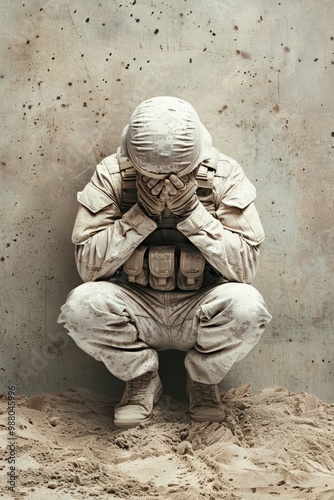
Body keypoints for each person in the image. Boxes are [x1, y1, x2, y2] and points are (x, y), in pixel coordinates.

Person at [58, 96, 272, 428]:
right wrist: (140, 215)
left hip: (200, 308)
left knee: (249, 308)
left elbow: (245, 268)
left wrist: (193, 214)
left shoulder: (224, 175)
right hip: (136, 307)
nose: (164, 184)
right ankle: (141, 379)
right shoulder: (112, 174)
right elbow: (88, 266)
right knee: (80, 309)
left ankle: (202, 381)